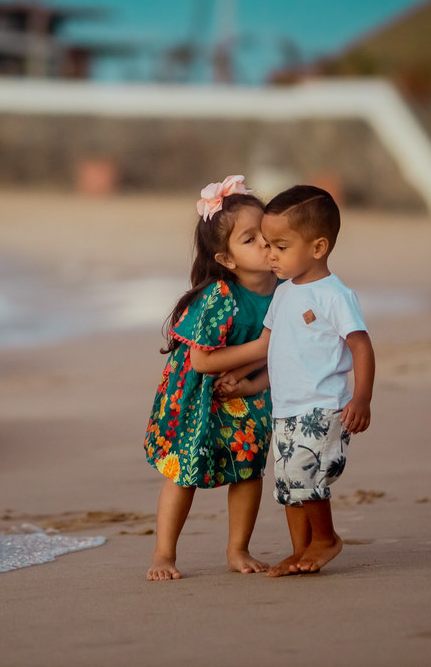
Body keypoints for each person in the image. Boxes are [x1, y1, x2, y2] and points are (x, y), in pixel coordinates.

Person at [219, 184, 375, 577]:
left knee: (308, 475)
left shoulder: (333, 295)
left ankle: (326, 538)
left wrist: (361, 398)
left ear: (318, 248)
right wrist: (248, 383)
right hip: (286, 406)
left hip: (323, 405)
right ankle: (301, 550)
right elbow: (277, 353)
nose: (270, 254)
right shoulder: (283, 294)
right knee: (288, 483)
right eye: (267, 245)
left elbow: (361, 347)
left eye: (281, 247)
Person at [143, 175, 279, 581]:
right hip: (198, 395)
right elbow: (202, 362)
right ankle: (163, 554)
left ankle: (238, 549)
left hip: (252, 389)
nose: (265, 245)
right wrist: (258, 349)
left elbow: (290, 351)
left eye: (268, 235)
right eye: (250, 240)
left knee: (248, 467)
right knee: (183, 470)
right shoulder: (219, 296)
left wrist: (255, 377)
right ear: (227, 259)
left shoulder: (286, 289)